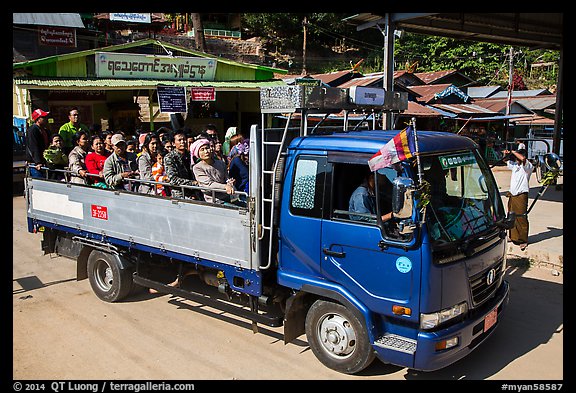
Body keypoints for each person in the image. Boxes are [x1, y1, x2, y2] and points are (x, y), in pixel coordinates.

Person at [501, 148, 533, 250]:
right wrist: (505, 154)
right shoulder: (516, 166)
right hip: (512, 194)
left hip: (521, 195)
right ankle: (513, 237)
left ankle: (523, 240)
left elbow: (523, 159)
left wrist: (514, 151)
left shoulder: (528, 166)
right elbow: (505, 161)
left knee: (521, 217)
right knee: (511, 216)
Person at [191, 138, 235, 204]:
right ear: (198, 153)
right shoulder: (197, 168)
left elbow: (226, 178)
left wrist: (230, 183)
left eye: (207, 148)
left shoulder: (221, 163)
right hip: (213, 200)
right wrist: (225, 186)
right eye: (202, 150)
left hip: (227, 196)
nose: (206, 151)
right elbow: (209, 184)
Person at [163, 130, 198, 199]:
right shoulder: (169, 157)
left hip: (194, 191)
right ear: (173, 143)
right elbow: (173, 179)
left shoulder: (190, 155)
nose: (183, 142)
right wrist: (193, 183)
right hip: (179, 193)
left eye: (184, 139)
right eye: (179, 140)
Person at [25, 108, 51, 178]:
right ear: (38, 119)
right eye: (43, 117)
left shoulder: (45, 130)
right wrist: (38, 162)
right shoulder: (33, 130)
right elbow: (33, 146)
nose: (46, 119)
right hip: (35, 164)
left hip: (44, 162)